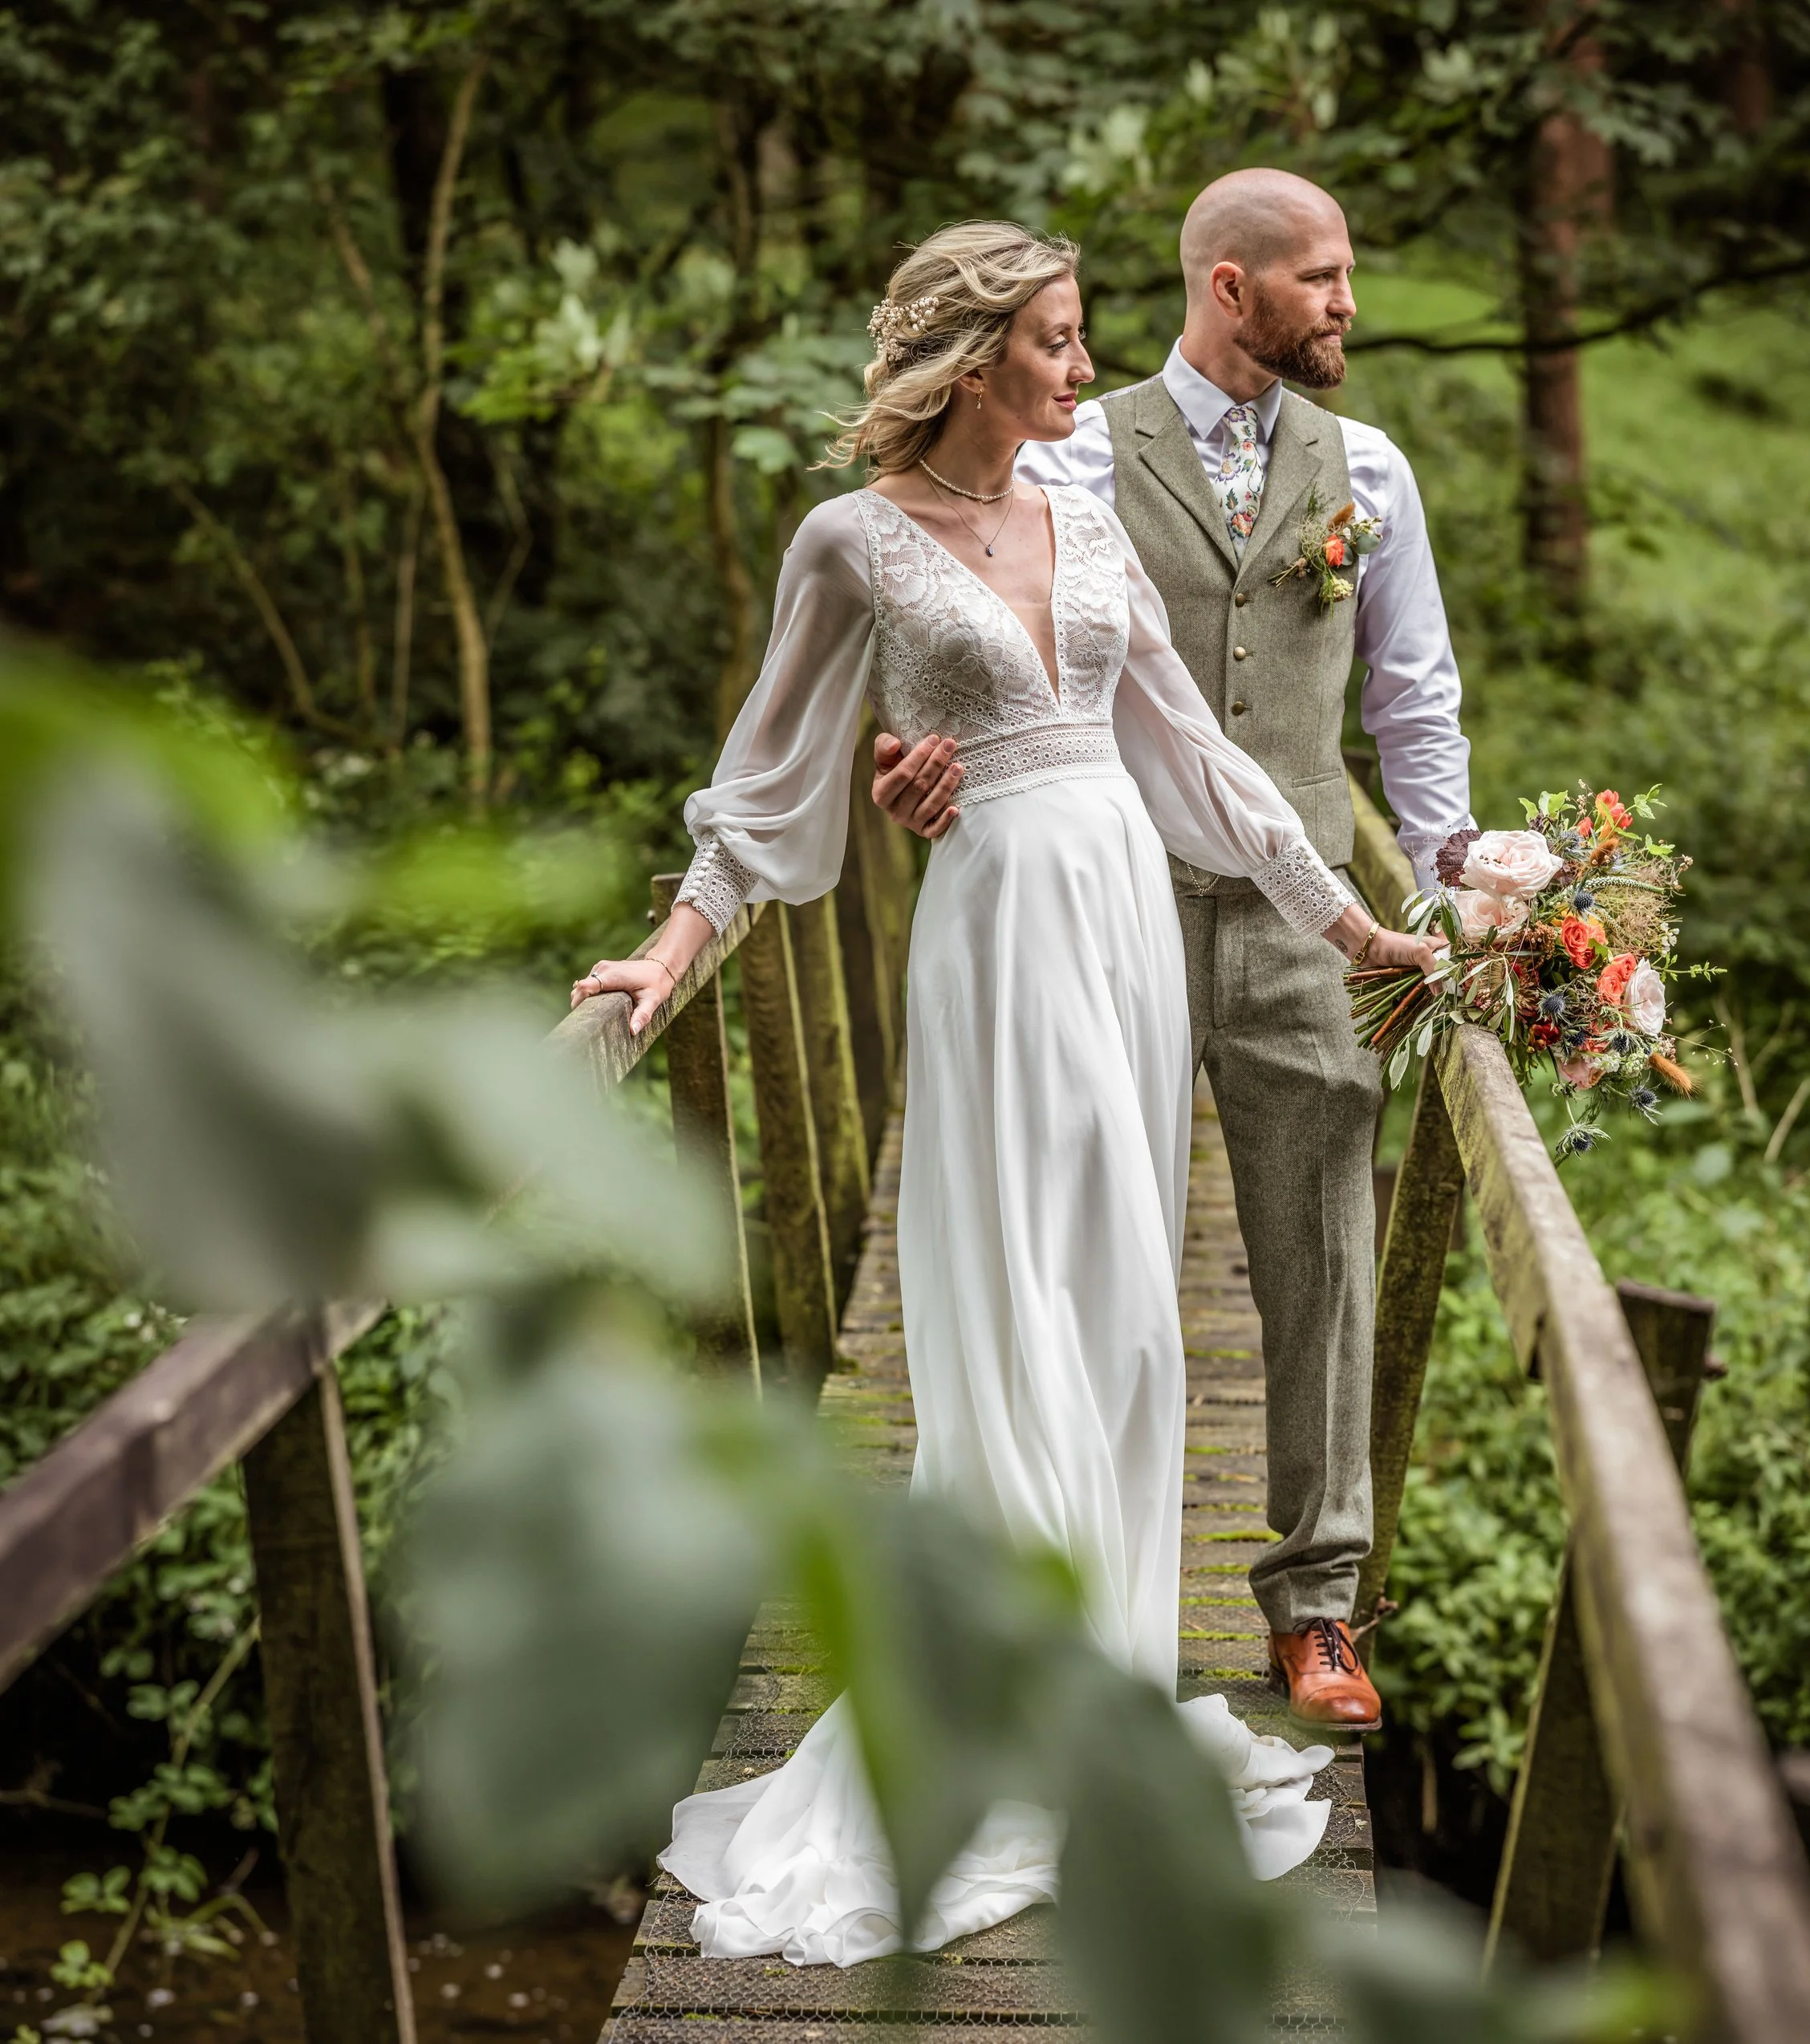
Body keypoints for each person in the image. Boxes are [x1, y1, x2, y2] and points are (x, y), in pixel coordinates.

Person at [570, 218, 1441, 1969]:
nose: (1078, 363)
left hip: (1117, 915)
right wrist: (662, 960)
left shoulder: (1086, 503)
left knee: (1125, 1315)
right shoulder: (850, 545)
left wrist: (1351, 920)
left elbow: (1191, 751)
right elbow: (759, 789)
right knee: (1010, 1309)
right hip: (991, 942)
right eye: (1053, 337)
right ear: (971, 358)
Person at [871, 171, 1475, 1734]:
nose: (1347, 302)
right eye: (1322, 276)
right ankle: (1056, 1594)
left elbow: (1410, 703)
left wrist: (1454, 889)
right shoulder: (1070, 441)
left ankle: (1318, 1604)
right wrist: (923, 750)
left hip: (1298, 912)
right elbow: (972, 607)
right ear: (1228, 285)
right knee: (1090, 1244)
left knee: (1321, 1237)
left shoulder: (1373, 474)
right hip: (1105, 899)